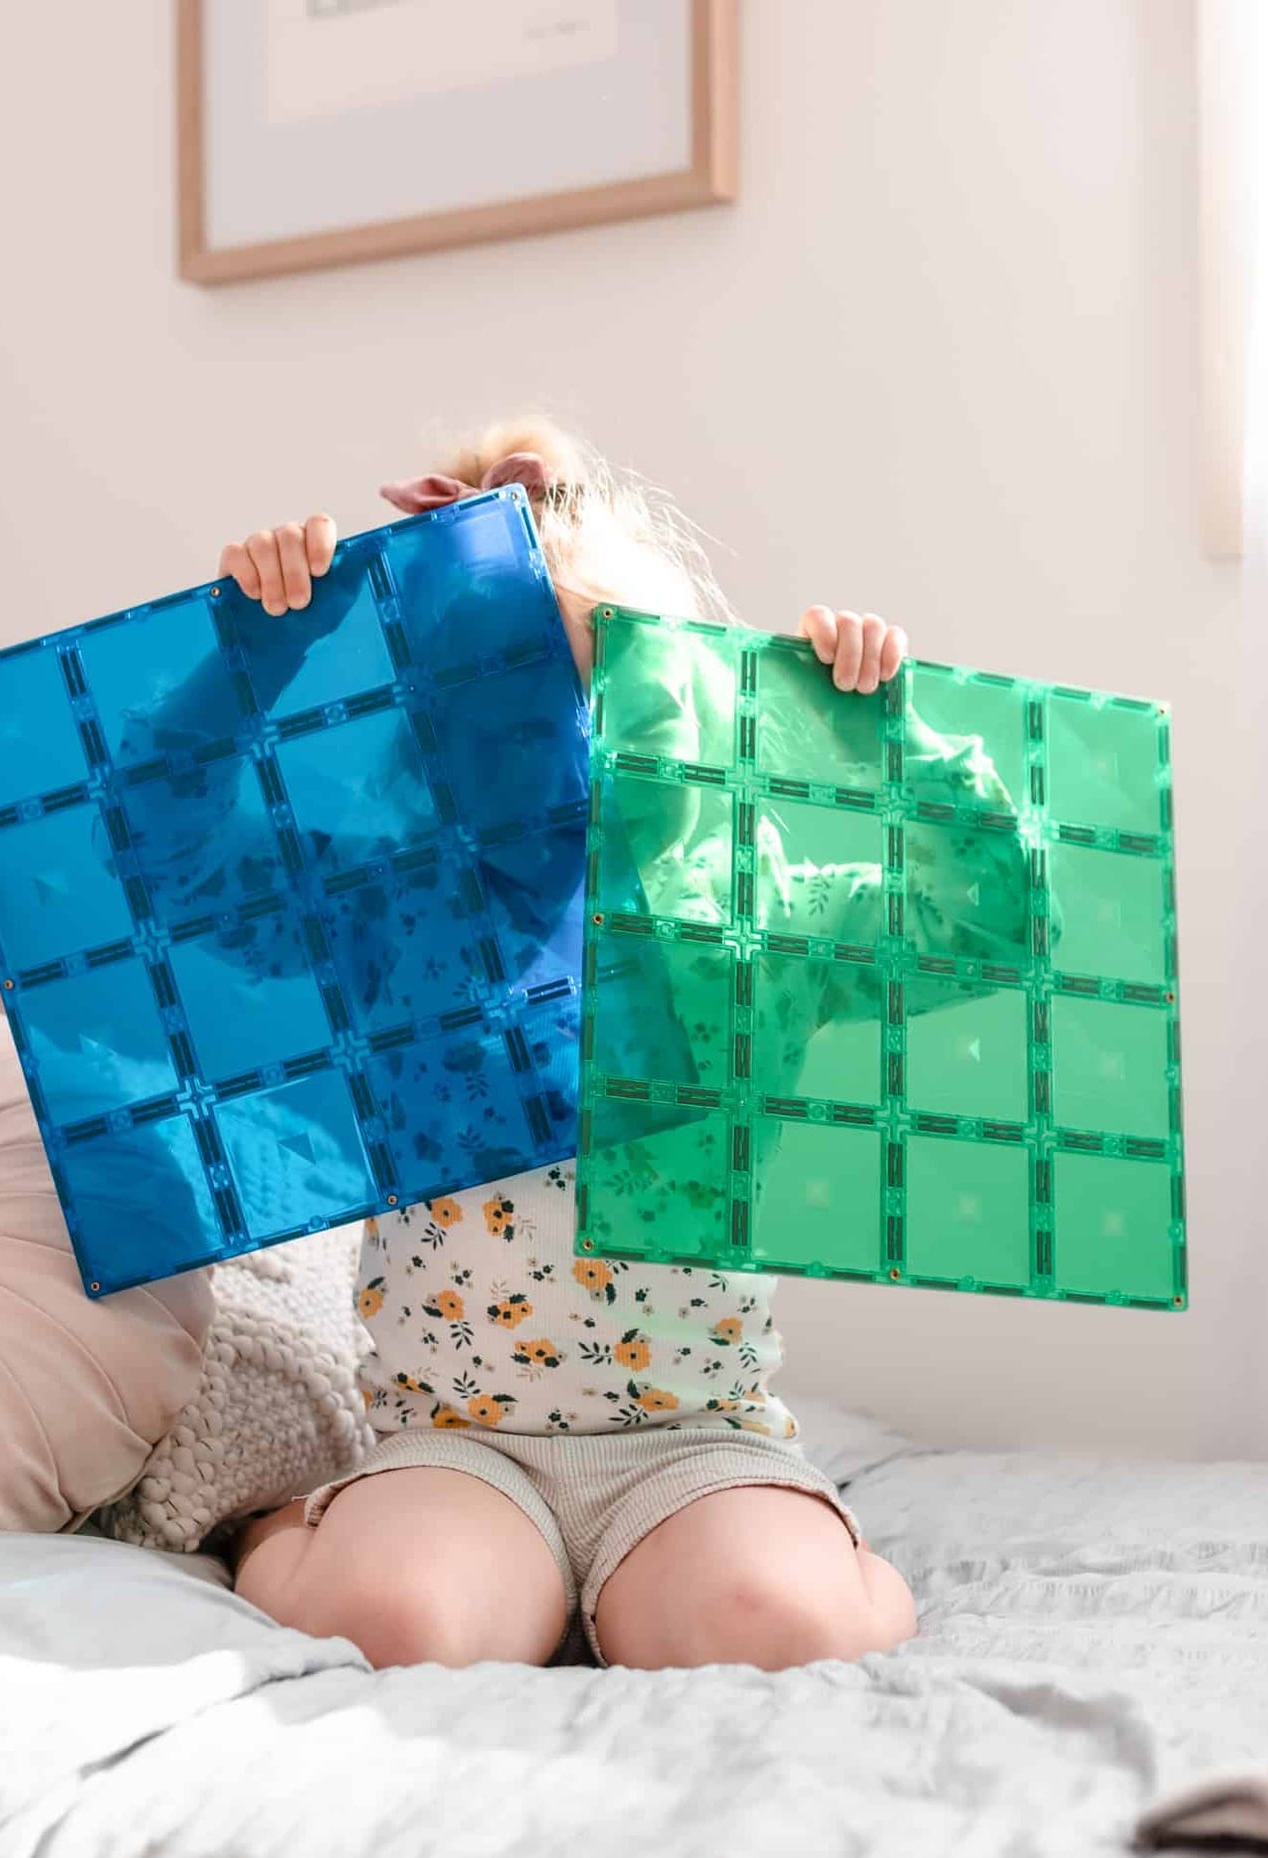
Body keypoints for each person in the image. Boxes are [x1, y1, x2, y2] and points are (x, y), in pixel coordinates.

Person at [183, 418, 1024, 1671]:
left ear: (691, 706)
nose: (580, 746)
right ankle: (277, 1530)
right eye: (521, 713)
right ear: (439, 746)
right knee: (398, 1628)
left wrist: (894, 741)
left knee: (781, 1632)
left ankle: (808, 1554)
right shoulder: (389, 914)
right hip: (456, 1442)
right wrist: (249, 661)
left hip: (698, 1440)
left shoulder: (759, 911)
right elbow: (172, 876)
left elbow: (998, 920)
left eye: (620, 695)